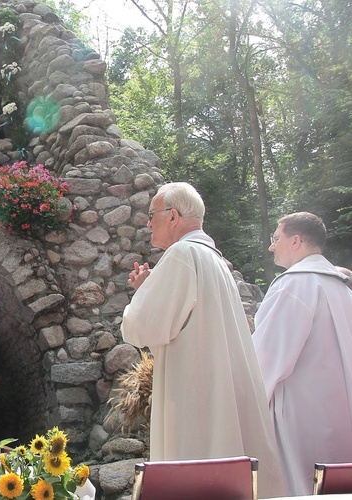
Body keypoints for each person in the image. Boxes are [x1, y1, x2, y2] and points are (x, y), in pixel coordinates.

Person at [121, 182, 285, 498]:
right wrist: (149, 290)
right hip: (216, 390)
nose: (147, 222)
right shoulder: (213, 259)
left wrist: (141, 296)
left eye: (152, 214)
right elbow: (182, 326)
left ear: (173, 216)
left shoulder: (182, 255)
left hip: (196, 397)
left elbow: (140, 327)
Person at [253, 212, 352, 495]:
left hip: (300, 417)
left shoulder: (292, 285)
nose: (271, 246)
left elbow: (265, 359)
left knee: (297, 487)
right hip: (341, 415)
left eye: (276, 239)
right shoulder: (342, 289)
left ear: (295, 241)